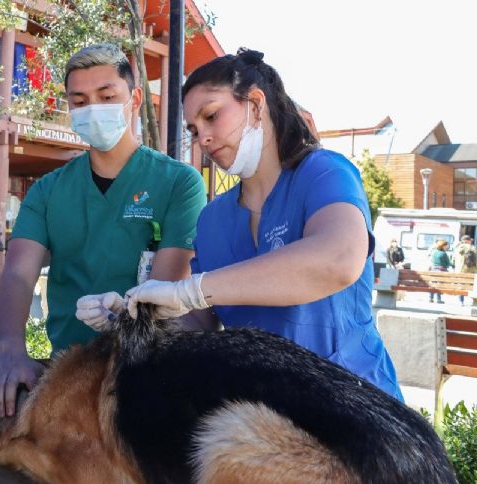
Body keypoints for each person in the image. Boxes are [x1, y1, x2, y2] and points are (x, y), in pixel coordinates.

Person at [83, 48, 404, 401]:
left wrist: (191, 290)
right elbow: (199, 325)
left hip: (356, 405)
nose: (202, 137)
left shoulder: (324, 172)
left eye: (212, 115)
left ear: (255, 103)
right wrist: (135, 316)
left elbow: (338, 259)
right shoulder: (212, 219)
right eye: (193, 128)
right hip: (263, 419)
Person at [0, 43, 206, 418]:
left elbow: (166, 289)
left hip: (147, 373)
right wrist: (11, 351)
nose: (93, 109)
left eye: (107, 96)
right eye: (80, 101)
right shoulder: (48, 190)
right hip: (68, 375)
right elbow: (19, 274)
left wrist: (124, 317)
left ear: (135, 98)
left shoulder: (179, 183)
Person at [429, 239, 452, 303]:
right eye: (446, 245)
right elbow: (448, 263)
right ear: (443, 246)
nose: (447, 247)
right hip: (441, 271)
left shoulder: (434, 252)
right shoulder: (443, 253)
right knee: (439, 285)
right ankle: (438, 299)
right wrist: (452, 265)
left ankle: (431, 298)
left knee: (433, 284)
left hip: (433, 270)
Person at [456, 235, 477, 305]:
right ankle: (474, 301)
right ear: (469, 240)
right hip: (472, 270)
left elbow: (454, 259)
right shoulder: (473, 247)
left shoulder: (459, 247)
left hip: (461, 270)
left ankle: (460, 301)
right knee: (473, 286)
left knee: (461, 286)